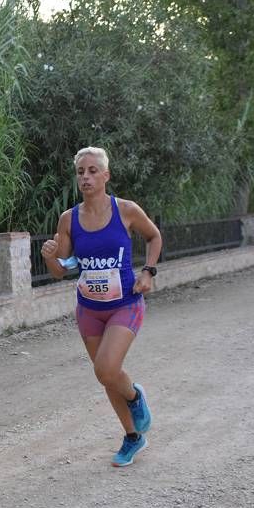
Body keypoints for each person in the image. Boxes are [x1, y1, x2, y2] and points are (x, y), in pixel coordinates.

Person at [40, 147, 163, 467]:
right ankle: (133, 437)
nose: (86, 177)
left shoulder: (126, 210)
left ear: (106, 176)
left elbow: (154, 237)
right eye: (81, 171)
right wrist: (50, 256)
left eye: (93, 171)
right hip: (89, 309)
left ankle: (135, 396)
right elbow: (61, 270)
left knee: (107, 369)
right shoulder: (68, 219)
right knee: (106, 375)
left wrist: (148, 271)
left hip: (126, 303)